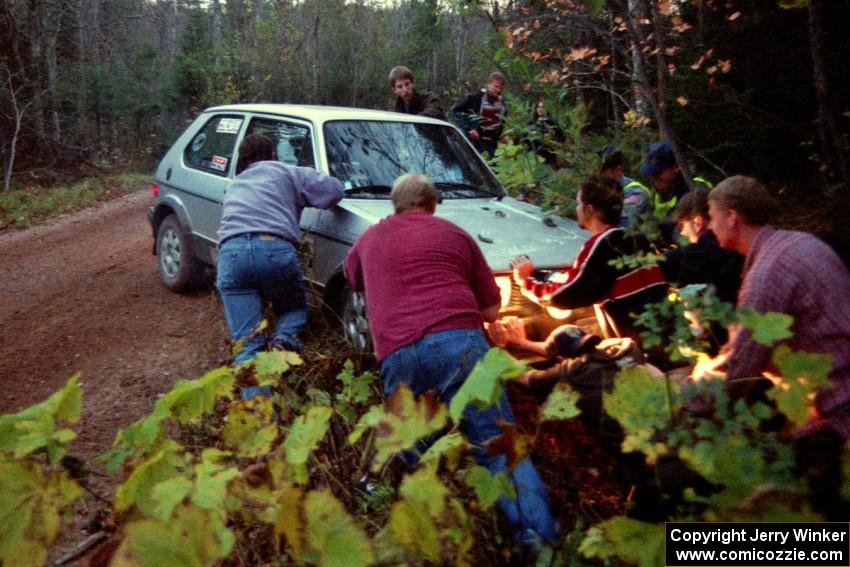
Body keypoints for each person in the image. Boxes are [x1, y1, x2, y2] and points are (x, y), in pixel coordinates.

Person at [344, 173, 556, 546]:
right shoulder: (455, 234)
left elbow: (353, 279)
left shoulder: (368, 238)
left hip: (397, 353)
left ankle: (432, 539)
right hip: (459, 345)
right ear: (433, 203)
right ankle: (536, 539)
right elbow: (491, 310)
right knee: (498, 448)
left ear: (395, 205)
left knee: (417, 455)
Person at [698, 175, 850, 519]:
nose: (708, 225)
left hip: (835, 417)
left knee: (749, 514)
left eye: (712, 216)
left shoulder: (769, 272)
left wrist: (684, 396)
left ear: (733, 217)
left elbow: (738, 370)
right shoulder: (798, 243)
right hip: (835, 389)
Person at [216, 133, 344, 364]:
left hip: (231, 254)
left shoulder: (235, 183)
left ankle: (253, 396)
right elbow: (335, 191)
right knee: (294, 310)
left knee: (247, 344)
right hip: (273, 248)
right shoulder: (288, 172)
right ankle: (283, 341)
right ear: (273, 155)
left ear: (243, 160)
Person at [510, 175, 668, 342]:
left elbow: (567, 294)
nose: (576, 208)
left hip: (640, 344)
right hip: (666, 335)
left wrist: (524, 281)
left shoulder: (602, 245)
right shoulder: (638, 239)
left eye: (578, 203)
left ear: (589, 209)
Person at [661, 187, 743, 305]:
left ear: (697, 223)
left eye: (681, 226)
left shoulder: (709, 251)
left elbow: (677, 261)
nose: (682, 233)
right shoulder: (738, 243)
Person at [639, 141, 712, 243]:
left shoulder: (694, 187)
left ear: (675, 167)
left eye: (658, 173)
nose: (654, 178)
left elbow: (675, 219)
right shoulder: (658, 190)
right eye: (651, 174)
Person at [451, 71, 508, 157]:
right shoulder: (475, 97)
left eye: (501, 88)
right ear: (489, 84)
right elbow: (456, 110)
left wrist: (501, 136)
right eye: (496, 86)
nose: (498, 90)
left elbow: (501, 123)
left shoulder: (502, 103)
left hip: (491, 144)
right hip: (474, 142)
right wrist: (470, 128)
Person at [599, 147, 651, 227]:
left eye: (606, 173)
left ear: (618, 170)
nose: (601, 178)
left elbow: (625, 223)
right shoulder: (608, 189)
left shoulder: (637, 192)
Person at [523, 100, 563, 168]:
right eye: (538, 107)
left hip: (548, 149)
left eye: (543, 107)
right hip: (534, 149)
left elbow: (560, 135)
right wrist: (537, 135)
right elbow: (524, 136)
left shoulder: (551, 121)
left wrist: (551, 135)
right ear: (536, 109)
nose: (540, 109)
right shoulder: (531, 122)